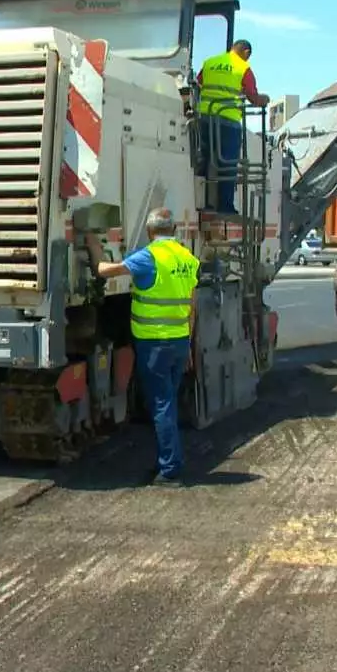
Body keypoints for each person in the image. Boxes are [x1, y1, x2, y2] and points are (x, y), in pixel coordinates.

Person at [86, 208, 200, 486]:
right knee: (167, 401)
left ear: (150, 231)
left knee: (162, 405)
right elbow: (191, 307)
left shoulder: (149, 257)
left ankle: (170, 469)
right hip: (178, 341)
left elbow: (105, 271)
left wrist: (92, 244)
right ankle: (169, 461)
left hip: (155, 344)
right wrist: (189, 346)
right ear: (173, 230)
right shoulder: (188, 258)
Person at [195, 39, 270, 215]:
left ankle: (203, 201)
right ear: (246, 52)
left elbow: (199, 84)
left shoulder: (210, 62)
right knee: (228, 164)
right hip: (228, 120)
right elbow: (253, 97)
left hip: (205, 119)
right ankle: (225, 205)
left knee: (204, 161)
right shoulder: (243, 68)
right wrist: (264, 100)